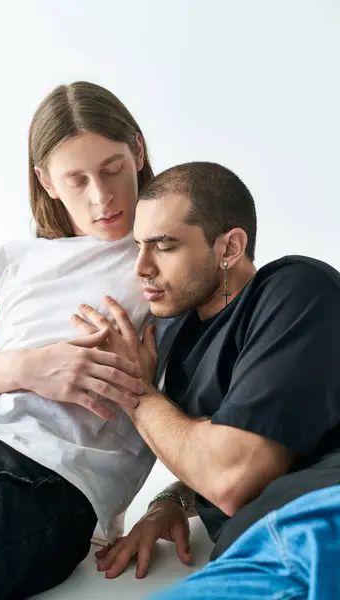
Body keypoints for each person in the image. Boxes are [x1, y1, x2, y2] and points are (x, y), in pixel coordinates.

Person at [71, 162, 340, 596]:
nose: (140, 267)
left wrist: (135, 391)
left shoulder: (294, 288)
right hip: (253, 551)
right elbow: (260, 445)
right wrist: (173, 498)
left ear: (229, 247)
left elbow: (230, 477)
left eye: (164, 246)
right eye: (139, 246)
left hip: (317, 522)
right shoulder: (177, 345)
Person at [0, 81, 158, 599]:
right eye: (77, 179)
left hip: (41, 474)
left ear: (139, 151)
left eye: (112, 169)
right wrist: (26, 368)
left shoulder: (169, 258)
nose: (101, 197)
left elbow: (225, 406)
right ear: (47, 181)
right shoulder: (16, 258)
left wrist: (172, 501)